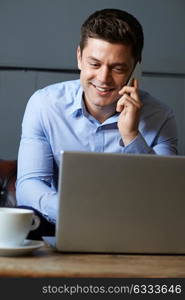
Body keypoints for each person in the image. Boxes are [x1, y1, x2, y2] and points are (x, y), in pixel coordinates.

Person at [16, 8, 178, 237]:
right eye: (94, 64)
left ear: (135, 67)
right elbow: (29, 186)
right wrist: (82, 214)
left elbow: (164, 198)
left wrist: (131, 135)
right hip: (60, 225)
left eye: (118, 68)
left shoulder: (160, 117)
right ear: (79, 57)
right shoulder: (44, 105)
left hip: (135, 231)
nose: (103, 78)